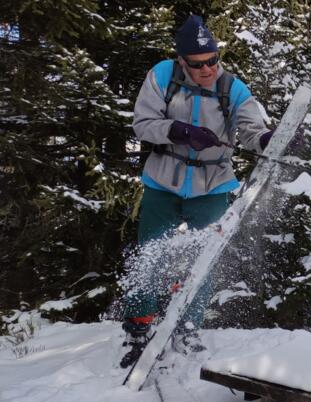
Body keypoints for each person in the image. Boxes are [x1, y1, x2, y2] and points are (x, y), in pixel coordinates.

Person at [121, 15, 275, 368]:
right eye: (198, 64)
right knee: (150, 254)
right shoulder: (162, 76)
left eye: (212, 61)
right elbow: (142, 125)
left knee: (205, 257)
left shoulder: (231, 87)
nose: (207, 70)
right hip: (163, 181)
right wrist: (179, 131)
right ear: (182, 61)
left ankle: (188, 326)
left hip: (213, 185)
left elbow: (251, 129)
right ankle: (139, 327)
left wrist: (266, 139)